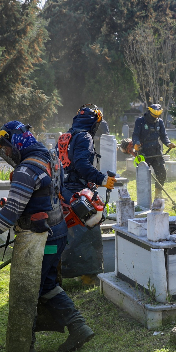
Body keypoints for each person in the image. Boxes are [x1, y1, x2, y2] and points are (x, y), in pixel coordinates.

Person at [0, 121, 94, 352]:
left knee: (27, 291)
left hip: (40, 239)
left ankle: (23, 348)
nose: (6, 154)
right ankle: (77, 327)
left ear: (16, 141)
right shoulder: (50, 158)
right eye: (1, 152)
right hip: (57, 232)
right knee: (46, 285)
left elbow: (7, 217)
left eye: (5, 148)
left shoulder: (26, 170)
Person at [59, 104, 115, 283]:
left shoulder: (66, 136)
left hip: (63, 189)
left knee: (68, 231)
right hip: (79, 191)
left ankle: (62, 272)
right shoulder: (84, 136)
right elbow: (82, 164)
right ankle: (88, 276)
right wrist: (102, 179)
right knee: (90, 228)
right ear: (93, 123)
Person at [132, 103, 176, 200]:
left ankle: (158, 195)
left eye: (157, 116)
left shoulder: (159, 122)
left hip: (156, 152)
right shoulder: (140, 121)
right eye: (154, 115)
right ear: (149, 112)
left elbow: (163, 136)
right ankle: (144, 198)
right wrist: (136, 143)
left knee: (162, 173)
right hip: (143, 152)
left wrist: (168, 143)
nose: (155, 117)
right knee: (143, 176)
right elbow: (135, 135)